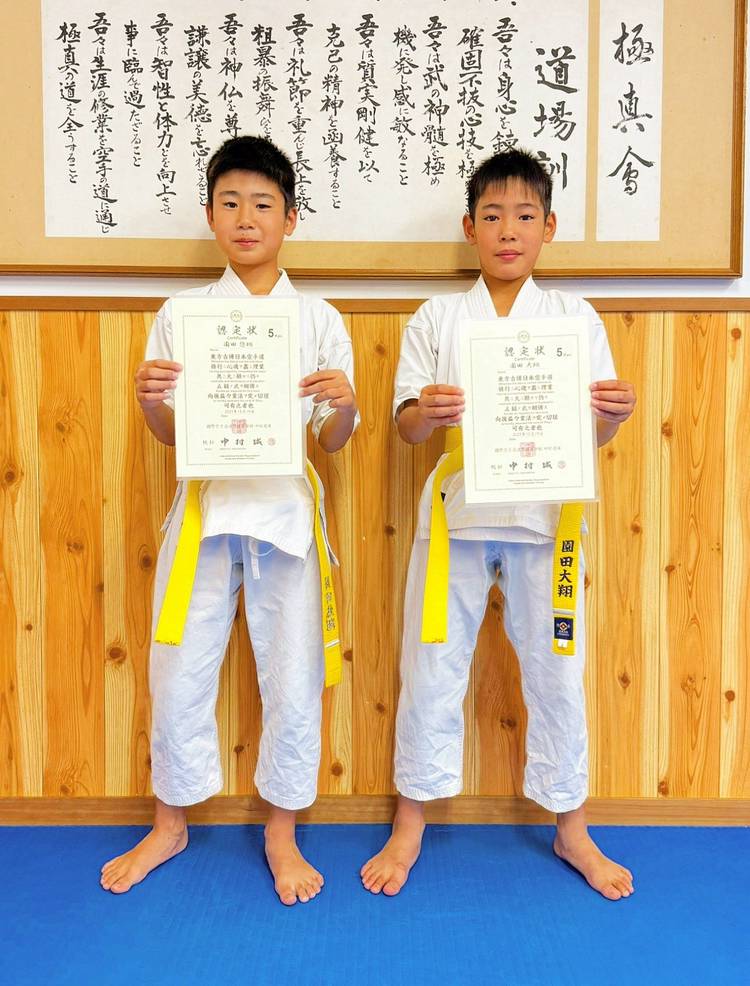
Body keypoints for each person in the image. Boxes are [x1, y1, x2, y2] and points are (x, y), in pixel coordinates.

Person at [361, 148, 636, 901]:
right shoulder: (439, 317)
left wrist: (613, 416)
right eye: (492, 216)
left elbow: (595, 431)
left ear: (548, 226)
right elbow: (406, 428)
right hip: (458, 512)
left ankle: (572, 825)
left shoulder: (574, 319)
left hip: (548, 518)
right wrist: (427, 412)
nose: (507, 230)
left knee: (558, 671)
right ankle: (410, 821)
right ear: (469, 228)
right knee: (431, 664)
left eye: (523, 215)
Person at [100, 135, 358, 906]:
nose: (247, 218)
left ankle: (281, 831)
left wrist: (345, 405)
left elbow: (332, 440)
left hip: (284, 513)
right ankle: (169, 822)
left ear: (291, 218)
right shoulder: (183, 315)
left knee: (293, 675)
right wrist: (150, 401)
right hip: (204, 512)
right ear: (211, 215)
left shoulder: (317, 318)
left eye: (263, 204)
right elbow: (170, 433)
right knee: (177, 666)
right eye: (231, 203)